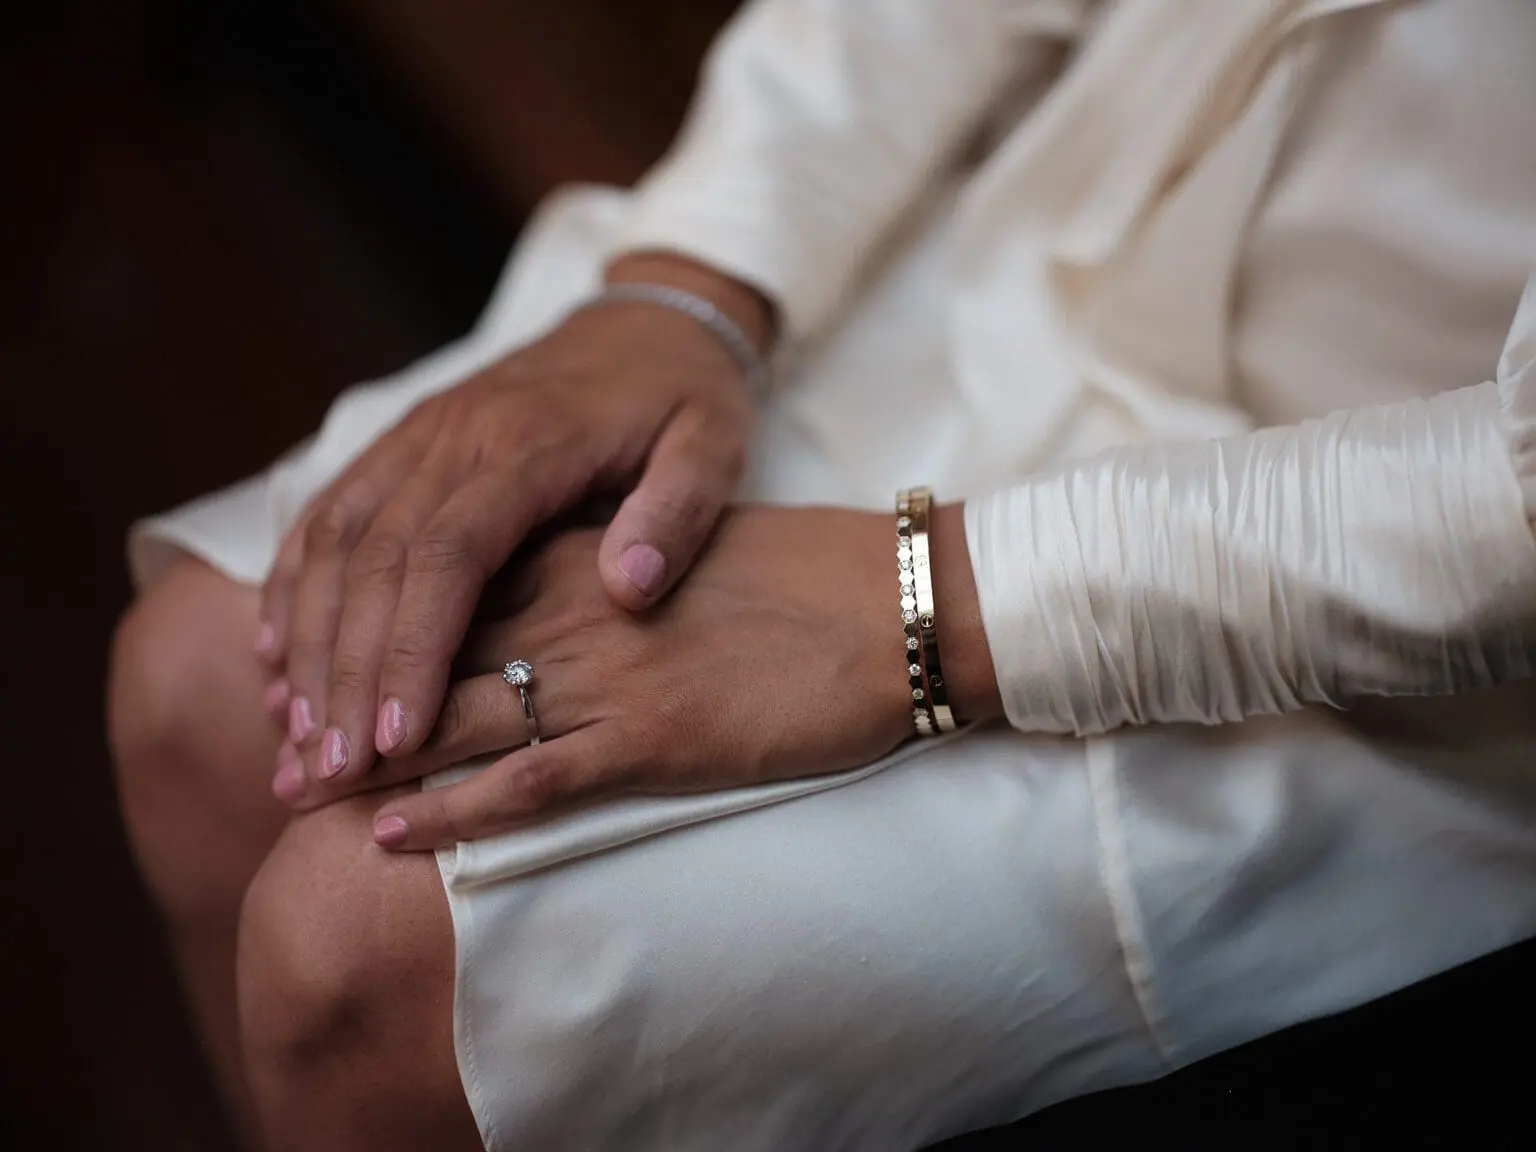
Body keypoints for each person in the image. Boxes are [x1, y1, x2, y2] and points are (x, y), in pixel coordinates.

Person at [108, 0, 1536, 1148]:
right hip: (1022, 256)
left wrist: (931, 602)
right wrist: (695, 284)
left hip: (1378, 661)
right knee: (196, 681)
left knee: (354, 943)